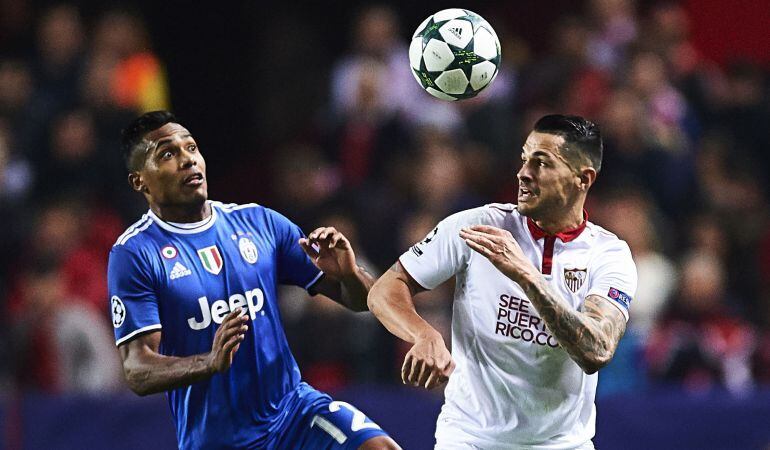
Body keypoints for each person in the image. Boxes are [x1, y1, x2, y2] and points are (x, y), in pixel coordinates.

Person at [107, 111, 400, 450]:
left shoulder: (259, 223)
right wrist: (208, 362)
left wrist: (349, 274)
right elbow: (136, 368)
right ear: (139, 181)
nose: (187, 160)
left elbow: (360, 301)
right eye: (168, 154)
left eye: (191, 148)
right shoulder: (135, 253)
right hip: (219, 440)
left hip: (294, 412)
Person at [368, 114, 637, 449]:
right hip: (469, 439)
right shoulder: (479, 226)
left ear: (583, 178)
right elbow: (386, 288)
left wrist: (526, 275)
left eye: (542, 163)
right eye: (525, 159)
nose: (524, 173)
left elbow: (597, 349)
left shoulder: (608, 254)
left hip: (562, 444)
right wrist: (422, 334)